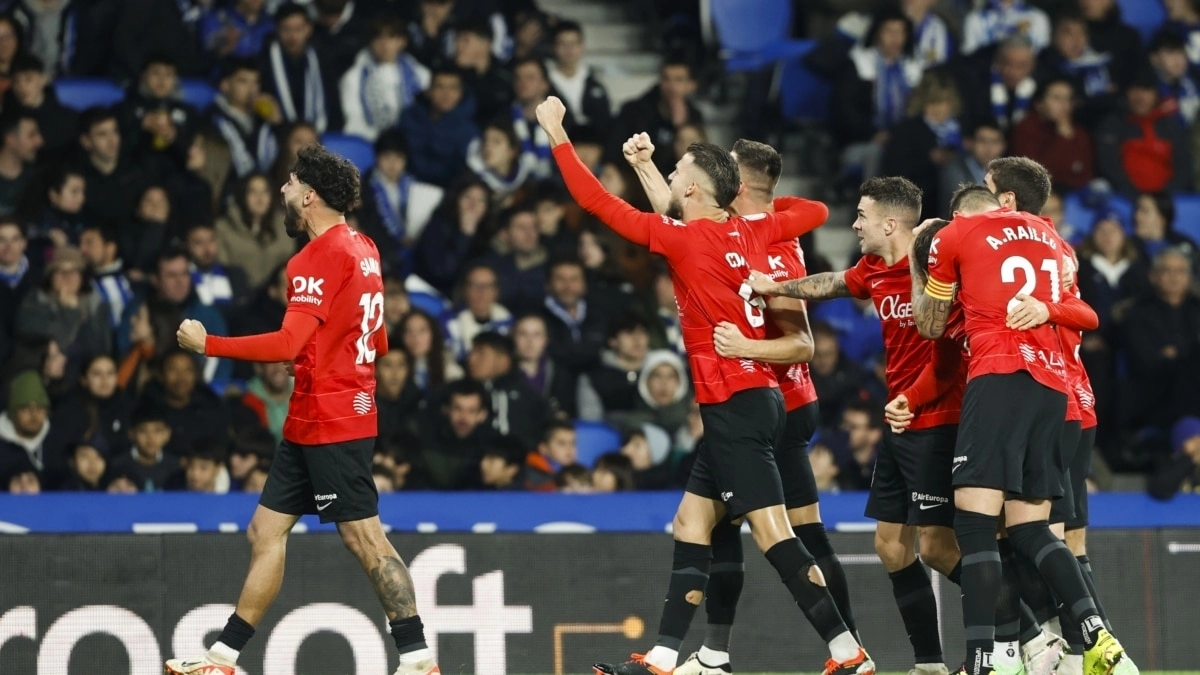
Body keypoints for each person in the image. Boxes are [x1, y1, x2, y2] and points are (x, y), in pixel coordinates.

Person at [533, 95, 866, 675]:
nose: (670, 175)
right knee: (692, 521)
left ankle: (848, 653)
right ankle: (665, 657)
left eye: (676, 172)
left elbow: (595, 201)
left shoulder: (683, 239)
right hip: (751, 400)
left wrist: (557, 134)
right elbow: (810, 212)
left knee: (774, 532)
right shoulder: (754, 230)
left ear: (691, 192)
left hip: (737, 400)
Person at [167, 145, 439, 675]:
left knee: (364, 537)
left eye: (290, 184)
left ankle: (418, 659)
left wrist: (210, 346)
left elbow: (289, 342)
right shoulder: (364, 247)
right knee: (264, 532)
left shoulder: (312, 258)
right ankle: (223, 659)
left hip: (333, 418)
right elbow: (375, 339)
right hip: (321, 411)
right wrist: (317, 358)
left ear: (309, 195)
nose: (283, 192)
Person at [626, 135, 863, 675]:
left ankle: (848, 647)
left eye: (726, 168)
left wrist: (745, 345)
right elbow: (675, 214)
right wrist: (645, 167)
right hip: (754, 397)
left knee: (786, 532)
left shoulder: (768, 245)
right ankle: (704, 655)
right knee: (704, 521)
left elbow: (802, 344)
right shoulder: (738, 232)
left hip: (771, 399)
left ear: (740, 183)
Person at [911, 156, 1134, 675]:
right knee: (1035, 530)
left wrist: (919, 264)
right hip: (1055, 389)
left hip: (999, 378)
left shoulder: (958, 236)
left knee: (975, 525)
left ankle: (989, 658)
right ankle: (1096, 638)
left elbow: (929, 324)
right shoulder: (1055, 242)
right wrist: (1046, 308)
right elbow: (1087, 314)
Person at [748, 177, 965, 674]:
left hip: (937, 417)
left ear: (891, 223)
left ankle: (1028, 630)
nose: (855, 223)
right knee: (891, 546)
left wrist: (913, 396)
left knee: (936, 547)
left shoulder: (937, 266)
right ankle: (929, 665)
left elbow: (951, 350)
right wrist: (777, 287)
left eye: (863, 215)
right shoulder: (872, 267)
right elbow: (834, 283)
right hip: (899, 418)